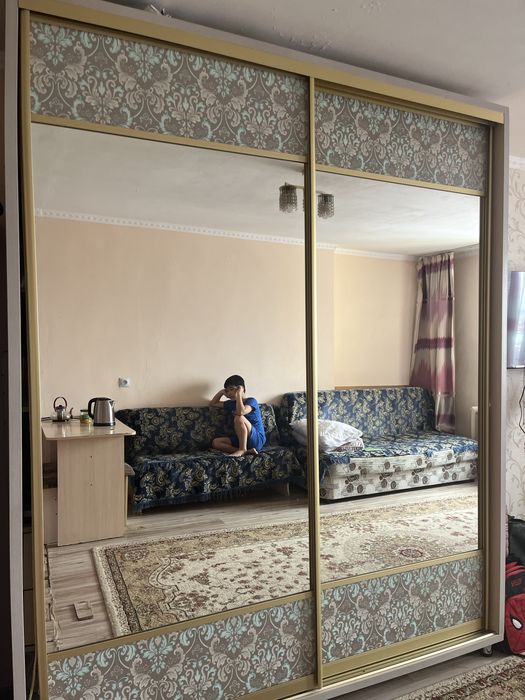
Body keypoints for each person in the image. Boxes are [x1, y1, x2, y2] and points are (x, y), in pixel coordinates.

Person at [210, 375, 266, 457]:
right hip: (241, 439)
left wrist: (239, 394)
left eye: (231, 389)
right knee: (216, 442)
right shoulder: (231, 403)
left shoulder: (251, 401)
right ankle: (246, 451)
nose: (229, 393)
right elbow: (213, 403)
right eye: (227, 391)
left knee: (238, 417)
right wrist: (222, 392)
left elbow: (241, 412)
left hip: (257, 439)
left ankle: (242, 449)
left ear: (241, 388)